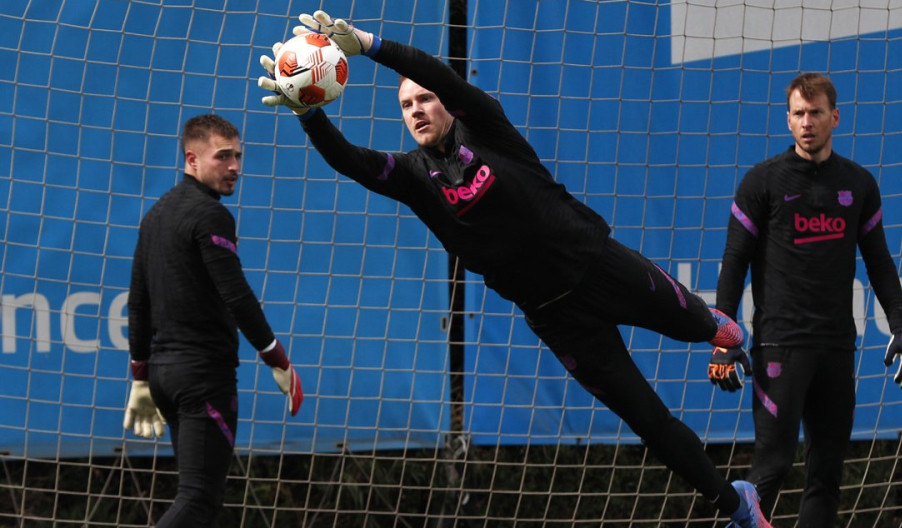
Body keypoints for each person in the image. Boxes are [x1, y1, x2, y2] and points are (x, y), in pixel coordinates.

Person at [256, 11, 770, 528]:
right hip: (557, 317)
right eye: (406, 105)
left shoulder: (487, 127)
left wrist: (370, 46)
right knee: (648, 422)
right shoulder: (412, 176)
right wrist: (308, 113)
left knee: (708, 327)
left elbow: (444, 77)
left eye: (425, 99)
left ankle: (726, 336)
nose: (416, 109)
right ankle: (736, 506)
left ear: (447, 104)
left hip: (598, 264)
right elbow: (349, 160)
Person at [710, 72, 902, 527]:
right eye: (799, 113)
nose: (807, 122)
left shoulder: (858, 184)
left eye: (816, 113)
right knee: (771, 469)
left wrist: (901, 330)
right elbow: (734, 263)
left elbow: (881, 264)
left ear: (835, 117)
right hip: (780, 348)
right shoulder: (761, 182)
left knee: (826, 476)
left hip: (837, 349)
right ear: (787, 120)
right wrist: (723, 338)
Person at [123, 114, 304, 528]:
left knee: (197, 505)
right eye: (223, 157)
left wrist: (140, 376)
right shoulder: (210, 214)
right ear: (192, 159)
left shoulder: (155, 215)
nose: (235, 167)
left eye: (238, 156)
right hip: (203, 377)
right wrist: (278, 359)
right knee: (198, 502)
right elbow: (237, 295)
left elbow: (138, 302)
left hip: (166, 380)